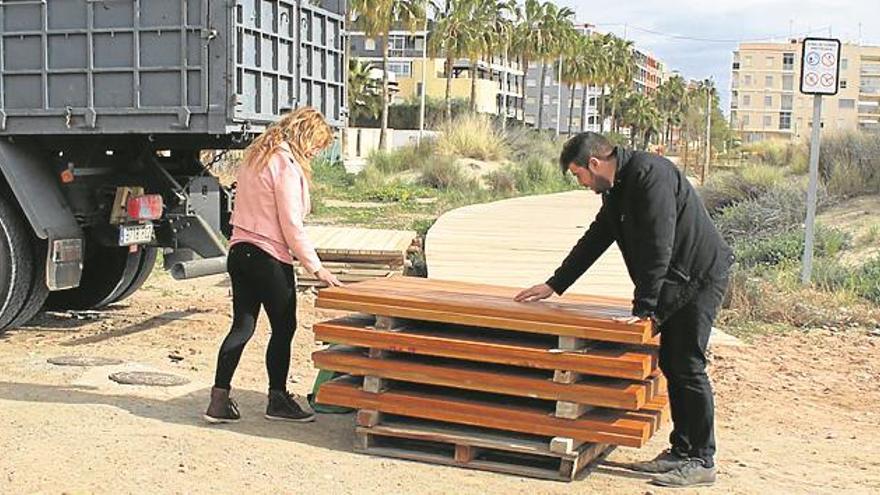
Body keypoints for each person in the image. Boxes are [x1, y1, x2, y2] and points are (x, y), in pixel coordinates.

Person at [515, 132, 734, 488]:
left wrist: (645, 307)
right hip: (677, 280)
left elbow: (657, 245)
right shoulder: (616, 190)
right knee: (674, 366)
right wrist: (555, 285)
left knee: (689, 367)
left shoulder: (652, 177)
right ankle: (681, 451)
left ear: (595, 164)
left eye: (579, 175)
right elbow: (596, 238)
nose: (581, 183)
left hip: (700, 276)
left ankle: (702, 459)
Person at [205, 107, 342, 425]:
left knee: (242, 326)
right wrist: (316, 268)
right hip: (269, 256)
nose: (315, 152)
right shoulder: (286, 165)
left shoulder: (254, 157)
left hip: (239, 252)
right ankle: (277, 399)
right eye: (316, 145)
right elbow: (291, 224)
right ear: (305, 135)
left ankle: (219, 400)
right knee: (284, 328)